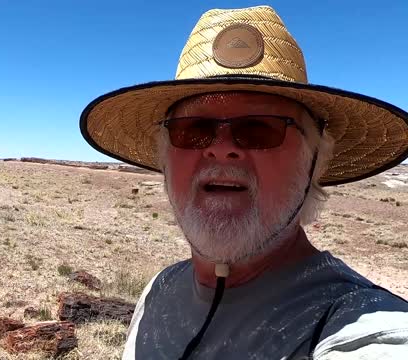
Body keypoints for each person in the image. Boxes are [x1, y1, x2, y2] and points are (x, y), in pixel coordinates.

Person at [79, 5, 408, 360]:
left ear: (313, 162)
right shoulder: (160, 289)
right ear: (165, 161)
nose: (222, 149)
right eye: (193, 131)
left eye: (258, 129)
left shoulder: (360, 327)